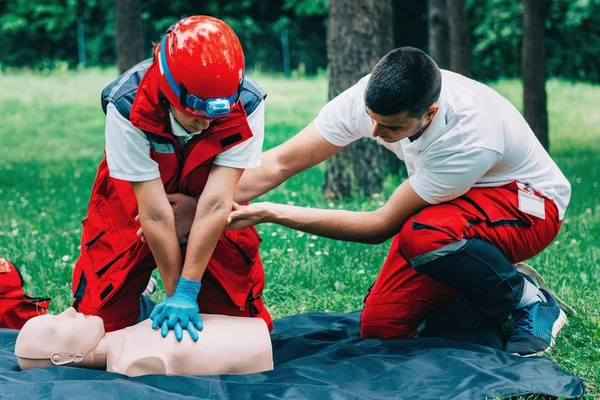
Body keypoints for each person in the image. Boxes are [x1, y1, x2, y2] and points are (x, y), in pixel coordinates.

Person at [158, 47, 571, 356]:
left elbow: (381, 226)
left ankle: (526, 298)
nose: (373, 132)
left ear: (427, 114)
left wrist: (271, 213)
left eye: (389, 127)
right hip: (456, 208)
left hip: (528, 205)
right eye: (371, 117)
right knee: (381, 326)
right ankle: (476, 279)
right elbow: (283, 162)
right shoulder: (370, 100)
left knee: (422, 236)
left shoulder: (466, 139)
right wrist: (204, 204)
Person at [71, 15, 271, 342]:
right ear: (168, 87)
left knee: (238, 329)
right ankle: (142, 294)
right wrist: (174, 291)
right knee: (96, 333)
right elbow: (153, 213)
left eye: (215, 116)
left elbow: (217, 201)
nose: (205, 125)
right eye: (195, 113)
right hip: (133, 208)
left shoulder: (247, 103)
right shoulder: (126, 104)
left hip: (206, 206)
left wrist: (188, 292)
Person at [14, 307, 273, 376]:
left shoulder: (130, 340)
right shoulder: (135, 361)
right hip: (257, 350)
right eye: (57, 324)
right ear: (62, 357)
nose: (68, 312)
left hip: (255, 338)